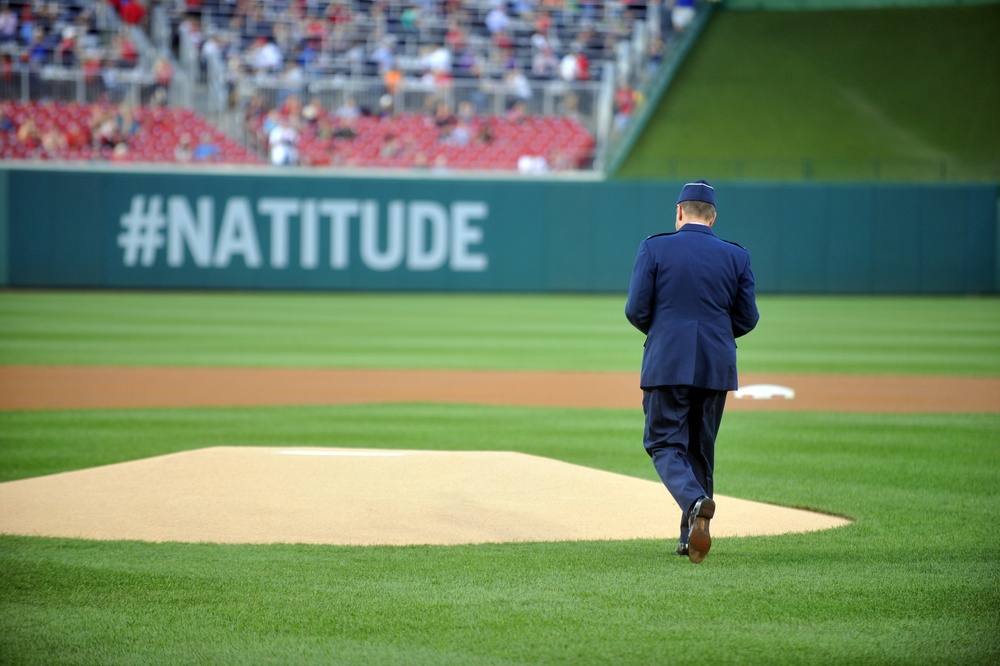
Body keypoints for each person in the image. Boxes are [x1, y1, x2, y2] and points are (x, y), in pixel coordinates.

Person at [625, 180, 759, 564]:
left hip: (666, 362)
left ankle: (695, 501)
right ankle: (690, 537)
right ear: (713, 217)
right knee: (701, 449)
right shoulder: (737, 256)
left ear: (679, 212)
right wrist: (715, 335)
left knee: (665, 443)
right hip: (717, 365)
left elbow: (636, 310)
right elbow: (748, 317)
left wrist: (667, 333)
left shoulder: (654, 247)